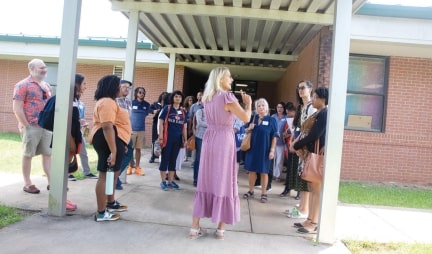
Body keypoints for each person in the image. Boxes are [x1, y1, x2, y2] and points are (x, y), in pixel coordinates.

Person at [190, 67, 252, 240]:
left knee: (205, 179)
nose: (231, 80)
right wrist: (249, 104)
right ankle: (220, 229)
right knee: (224, 179)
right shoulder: (227, 97)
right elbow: (246, 118)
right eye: (229, 77)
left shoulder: (207, 98)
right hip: (224, 139)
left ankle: (195, 227)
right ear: (220, 79)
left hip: (209, 138)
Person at [88, 75, 131, 222]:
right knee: (104, 175)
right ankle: (101, 212)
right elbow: (107, 126)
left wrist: (121, 145)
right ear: (112, 87)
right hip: (107, 141)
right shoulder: (107, 102)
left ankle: (110, 203)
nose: (121, 88)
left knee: (112, 174)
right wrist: (113, 150)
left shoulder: (110, 102)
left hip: (114, 140)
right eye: (119, 85)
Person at [291, 87, 328, 234]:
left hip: (317, 154)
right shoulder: (319, 112)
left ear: (322, 98)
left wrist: (297, 144)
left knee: (317, 190)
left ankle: (315, 222)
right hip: (312, 153)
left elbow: (315, 134)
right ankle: (309, 219)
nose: (312, 99)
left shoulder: (324, 113)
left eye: (315, 97)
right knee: (312, 189)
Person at [12, 59, 52, 194]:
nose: (44, 69)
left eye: (45, 67)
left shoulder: (46, 86)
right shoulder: (22, 85)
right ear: (32, 69)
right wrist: (26, 126)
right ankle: (28, 184)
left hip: (46, 127)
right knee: (28, 154)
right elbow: (17, 108)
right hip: (31, 126)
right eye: (41, 67)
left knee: (48, 154)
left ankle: (52, 182)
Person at [285, 80, 316, 219]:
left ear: (310, 89)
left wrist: (298, 144)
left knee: (306, 177)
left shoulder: (312, 107)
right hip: (299, 144)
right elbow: (298, 128)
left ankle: (305, 209)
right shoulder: (302, 107)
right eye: (299, 88)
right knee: (301, 176)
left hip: (306, 146)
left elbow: (309, 130)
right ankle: (302, 206)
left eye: (303, 87)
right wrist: (294, 141)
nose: (300, 90)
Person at [243, 98, 278, 203]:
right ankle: (251, 190)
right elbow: (244, 130)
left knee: (264, 171)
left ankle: (264, 193)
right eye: (258, 106)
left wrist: (272, 150)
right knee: (252, 171)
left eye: (263, 105)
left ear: (266, 107)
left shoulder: (271, 120)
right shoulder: (253, 118)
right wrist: (249, 128)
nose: (261, 107)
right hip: (252, 149)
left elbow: (275, 136)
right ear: (256, 108)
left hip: (265, 149)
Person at [70, 73, 98, 181]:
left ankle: (87, 172)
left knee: (83, 152)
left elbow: (79, 117)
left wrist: (83, 123)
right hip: (70, 132)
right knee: (70, 152)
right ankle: (67, 174)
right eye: (84, 84)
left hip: (79, 131)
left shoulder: (79, 102)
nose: (85, 86)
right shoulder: (69, 99)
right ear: (77, 84)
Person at [158, 90, 187, 191]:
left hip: (177, 140)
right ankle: (163, 182)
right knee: (165, 159)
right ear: (172, 98)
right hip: (167, 139)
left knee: (173, 161)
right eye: (176, 96)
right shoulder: (167, 108)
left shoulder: (183, 111)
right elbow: (161, 122)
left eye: (179, 97)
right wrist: (160, 136)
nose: (178, 98)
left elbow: (184, 127)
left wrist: (185, 139)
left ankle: (170, 181)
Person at [115, 80, 134, 190]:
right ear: (119, 87)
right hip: (119, 133)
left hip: (127, 132)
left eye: (128, 87)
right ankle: (114, 179)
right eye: (124, 87)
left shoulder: (128, 102)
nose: (127, 89)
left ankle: (115, 177)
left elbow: (129, 118)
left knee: (128, 155)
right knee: (120, 155)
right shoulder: (115, 101)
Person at [128, 86, 151, 176]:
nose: (142, 94)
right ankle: (130, 166)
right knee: (130, 149)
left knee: (138, 149)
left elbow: (147, 113)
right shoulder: (131, 103)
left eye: (143, 93)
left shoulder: (146, 104)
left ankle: (137, 167)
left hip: (141, 130)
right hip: (132, 130)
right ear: (136, 93)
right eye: (140, 92)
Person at [280, 102, 296, 197]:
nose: (288, 114)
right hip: (289, 146)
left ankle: (299, 192)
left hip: (297, 146)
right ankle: (287, 188)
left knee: (298, 170)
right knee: (289, 168)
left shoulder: (298, 119)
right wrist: (286, 134)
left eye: (289, 113)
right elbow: (286, 131)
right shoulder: (288, 120)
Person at [271, 102, 287, 182]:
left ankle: (278, 175)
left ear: (284, 109)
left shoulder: (286, 117)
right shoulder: (273, 117)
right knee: (272, 159)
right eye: (278, 107)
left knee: (279, 160)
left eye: (281, 107)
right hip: (273, 141)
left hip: (281, 142)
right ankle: (272, 174)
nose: (279, 109)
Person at [149, 92, 168, 163]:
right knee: (154, 140)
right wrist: (154, 111)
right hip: (156, 123)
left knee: (163, 140)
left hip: (164, 125)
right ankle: (153, 156)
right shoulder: (156, 104)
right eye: (163, 96)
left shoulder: (168, 106)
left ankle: (162, 156)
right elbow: (149, 109)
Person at [192, 106, 207, 187]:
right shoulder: (200, 111)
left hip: (211, 138)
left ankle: (204, 180)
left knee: (207, 160)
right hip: (200, 137)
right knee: (198, 159)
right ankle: (196, 179)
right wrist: (212, 125)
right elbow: (200, 122)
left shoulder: (213, 111)